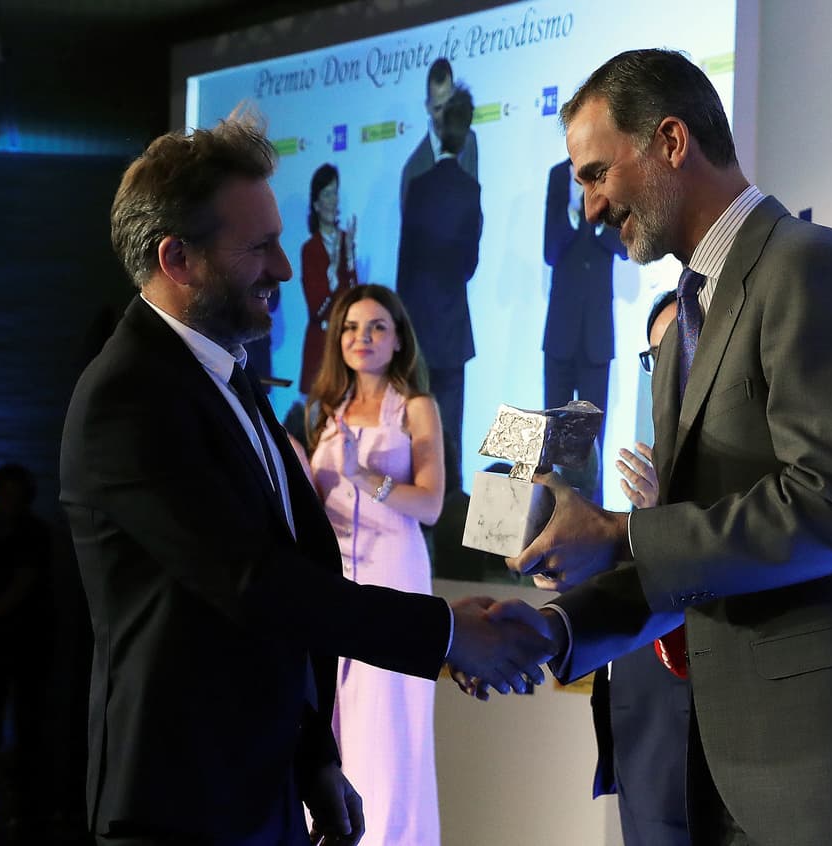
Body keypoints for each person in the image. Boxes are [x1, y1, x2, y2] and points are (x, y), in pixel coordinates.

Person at [491, 48, 832, 846]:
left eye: (598, 174)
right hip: (735, 776)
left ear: (671, 141)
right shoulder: (683, 328)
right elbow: (693, 549)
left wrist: (622, 533)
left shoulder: (810, 267)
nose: (591, 208)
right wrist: (558, 630)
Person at [59, 110, 554, 846]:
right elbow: (253, 585)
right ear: (177, 260)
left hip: (263, 790)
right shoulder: (126, 398)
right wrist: (449, 634)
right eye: (259, 248)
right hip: (180, 806)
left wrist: (313, 756)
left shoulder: (230, 377)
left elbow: (289, 573)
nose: (285, 269)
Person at [304, 284, 443, 846]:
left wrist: (368, 478)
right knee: (333, 720)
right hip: (333, 580)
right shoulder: (327, 413)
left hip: (393, 573)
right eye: (351, 328)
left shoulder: (415, 407)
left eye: (377, 327)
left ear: (398, 338)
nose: (362, 338)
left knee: (386, 729)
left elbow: (431, 504)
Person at [587, 293, 690, 846]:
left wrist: (657, 519)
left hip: (712, 711)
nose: (665, 367)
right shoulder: (643, 441)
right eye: (654, 355)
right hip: (641, 712)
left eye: (676, 347)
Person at [395, 85, 482, 491]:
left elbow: (405, 262)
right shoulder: (470, 190)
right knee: (451, 428)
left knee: (415, 429)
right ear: (465, 137)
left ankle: (418, 505)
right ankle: (451, 525)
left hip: (417, 329)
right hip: (452, 328)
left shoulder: (418, 184)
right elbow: (469, 265)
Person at [0, 463, 53, 824]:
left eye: (15, 494)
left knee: (28, 708)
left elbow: (23, 585)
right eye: (4, 492)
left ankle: (25, 781)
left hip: (26, 635)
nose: (8, 500)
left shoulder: (34, 533)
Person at [542, 157, 628, 457]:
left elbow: (625, 247)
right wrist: (574, 213)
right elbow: (550, 251)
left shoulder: (611, 178)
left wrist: (597, 219)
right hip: (559, 335)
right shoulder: (557, 176)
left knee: (592, 446)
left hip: (597, 335)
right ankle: (549, 505)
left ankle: (592, 506)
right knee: (551, 441)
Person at [299, 164, 357, 394]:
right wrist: (332, 271)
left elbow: (354, 298)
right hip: (319, 345)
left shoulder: (345, 240)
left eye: (335, 192)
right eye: (327, 194)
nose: (333, 200)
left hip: (345, 346)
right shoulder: (310, 249)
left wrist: (350, 258)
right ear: (316, 203)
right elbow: (316, 308)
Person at [399, 58, 478, 212]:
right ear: (427, 107)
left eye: (448, 105)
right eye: (438, 108)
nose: (444, 116)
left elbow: (475, 210)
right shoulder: (413, 170)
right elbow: (411, 234)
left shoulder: (469, 141)